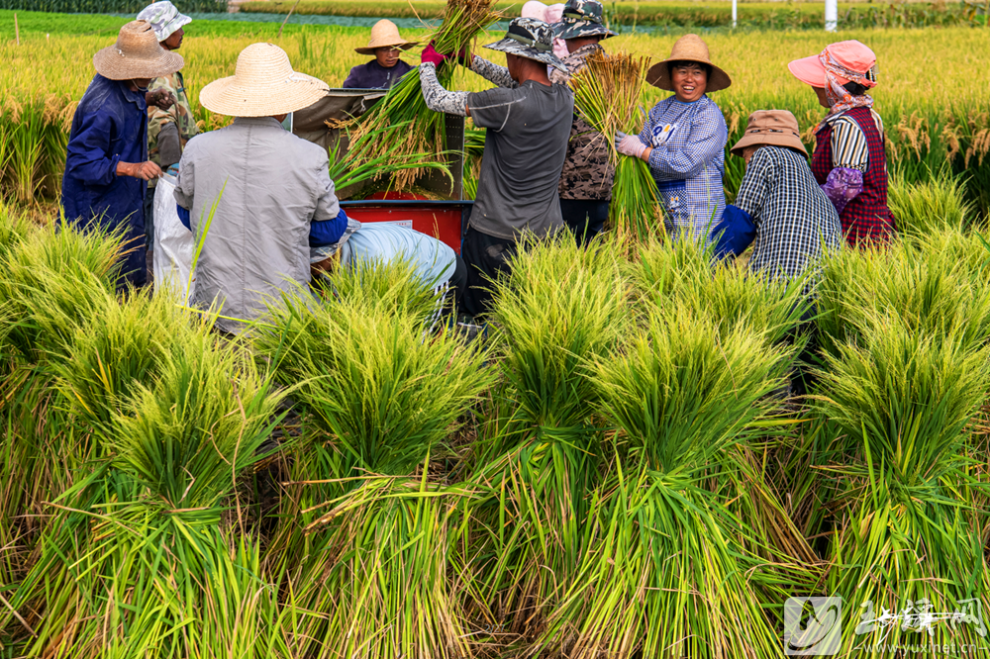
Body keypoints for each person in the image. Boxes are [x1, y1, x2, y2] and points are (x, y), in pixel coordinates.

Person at [173, 43, 346, 334]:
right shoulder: (310, 156)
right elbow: (330, 230)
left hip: (214, 307)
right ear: (285, 104)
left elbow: (186, 213)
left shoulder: (198, 148)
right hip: (281, 313)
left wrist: (227, 223)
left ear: (236, 98)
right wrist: (279, 225)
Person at [418, 18, 573, 317]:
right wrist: (470, 60)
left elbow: (436, 99)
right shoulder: (564, 97)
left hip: (498, 234)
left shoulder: (509, 104)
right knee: (528, 314)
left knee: (481, 315)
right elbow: (520, 84)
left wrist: (428, 64)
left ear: (515, 55)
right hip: (547, 234)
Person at [62, 20, 183, 289]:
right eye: (149, 72)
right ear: (130, 69)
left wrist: (150, 97)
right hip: (97, 210)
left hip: (124, 200)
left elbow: (130, 97)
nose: (153, 75)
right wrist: (134, 169)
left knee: (131, 271)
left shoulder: (130, 86)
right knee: (104, 281)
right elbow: (81, 163)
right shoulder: (102, 108)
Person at [615, 34, 730, 242]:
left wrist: (642, 151)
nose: (689, 79)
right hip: (665, 209)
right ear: (671, 75)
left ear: (706, 78)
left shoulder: (707, 115)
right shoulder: (661, 109)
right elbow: (644, 141)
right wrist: (629, 141)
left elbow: (687, 163)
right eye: (682, 71)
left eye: (697, 72)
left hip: (700, 216)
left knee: (697, 269)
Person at [713, 110, 842, 288]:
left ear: (762, 143)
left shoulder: (766, 155)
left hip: (777, 288)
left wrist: (705, 261)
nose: (747, 164)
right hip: (821, 297)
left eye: (746, 156)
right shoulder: (818, 193)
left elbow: (740, 221)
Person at [788, 40, 897, 247]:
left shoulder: (846, 123)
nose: (813, 86)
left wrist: (813, 216)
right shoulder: (870, 115)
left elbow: (846, 185)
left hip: (854, 230)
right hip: (873, 225)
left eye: (819, 81)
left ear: (836, 85)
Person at [548, 0, 616, 245]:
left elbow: (548, 128)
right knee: (590, 253)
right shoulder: (617, 70)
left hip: (569, 185)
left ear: (569, 34)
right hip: (604, 183)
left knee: (563, 256)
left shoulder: (565, 72)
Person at [136, 0, 198, 267]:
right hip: (159, 178)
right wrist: (173, 171)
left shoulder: (160, 66)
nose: (183, 31)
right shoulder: (161, 73)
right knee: (157, 240)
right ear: (163, 34)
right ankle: (153, 295)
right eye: (178, 27)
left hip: (157, 174)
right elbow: (163, 124)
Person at [311, 219, 468, 323]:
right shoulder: (329, 258)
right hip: (399, 279)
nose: (308, 265)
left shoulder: (371, 260)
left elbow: (373, 316)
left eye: (312, 260)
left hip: (437, 273)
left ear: (331, 252)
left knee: (418, 343)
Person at [342, 20, 417, 89]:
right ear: (375, 51)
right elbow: (346, 99)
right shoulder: (359, 74)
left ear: (400, 50)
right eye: (384, 50)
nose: (391, 55)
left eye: (394, 49)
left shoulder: (412, 74)